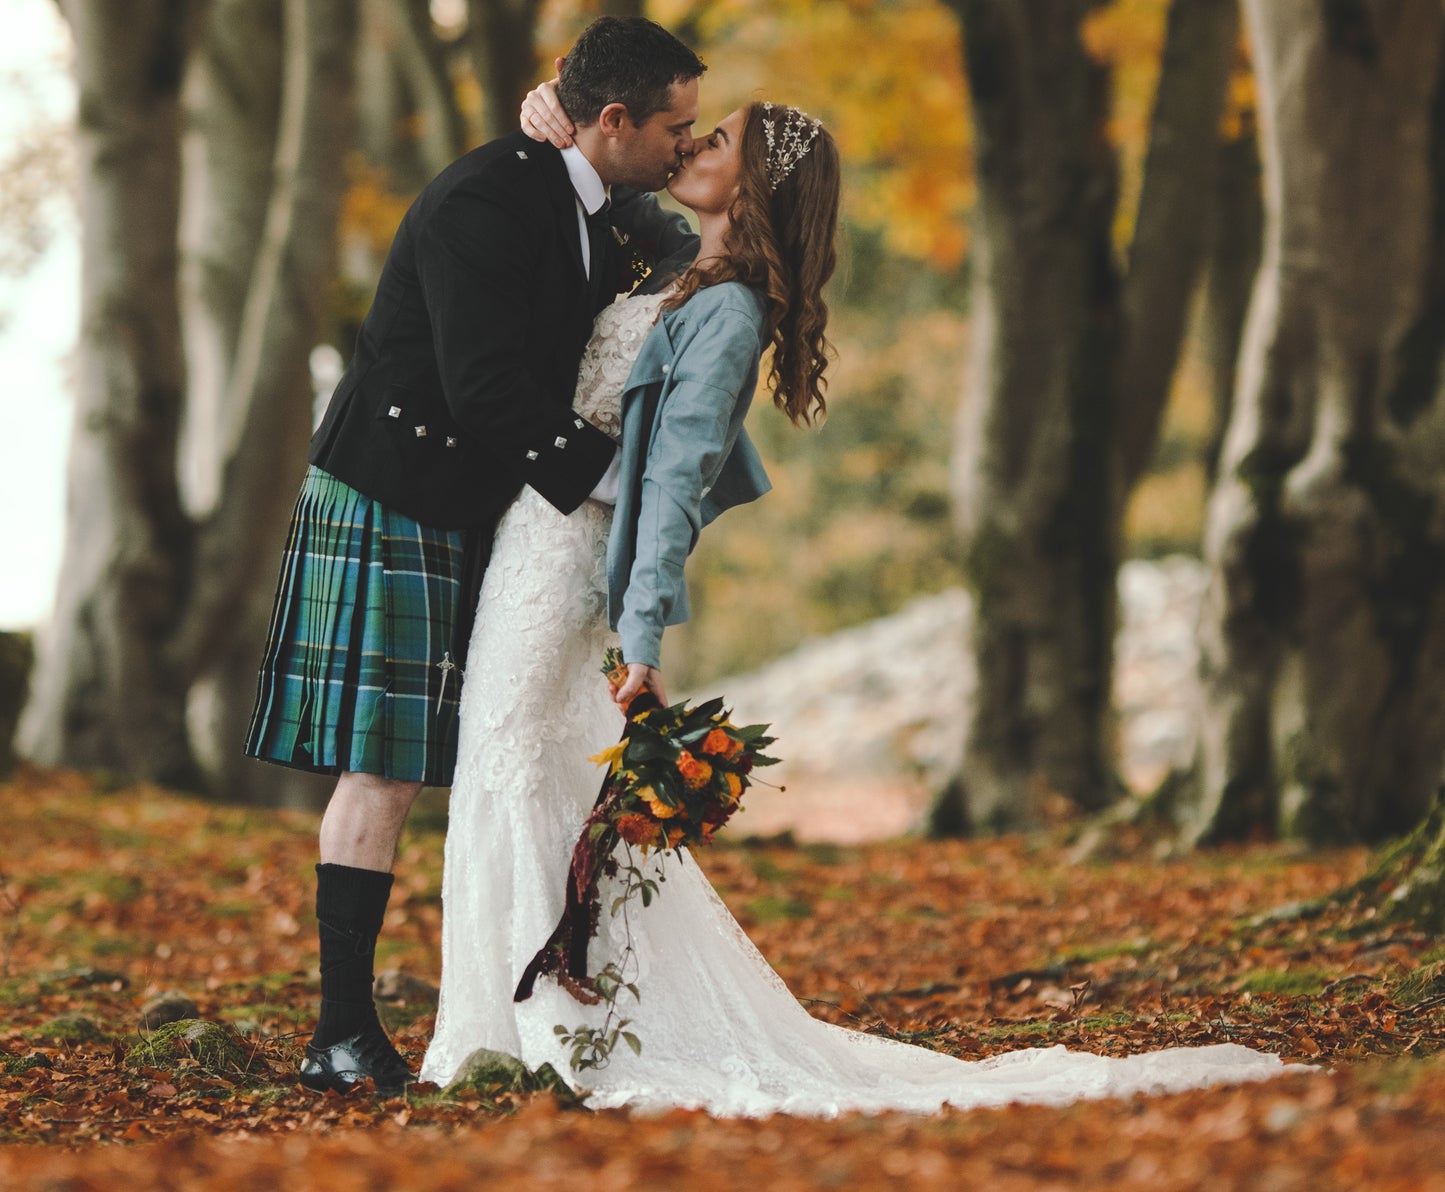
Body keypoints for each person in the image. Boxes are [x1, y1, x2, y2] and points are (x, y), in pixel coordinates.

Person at [420, 85, 1293, 1117]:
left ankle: (554, 1031)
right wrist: (548, 113)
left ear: (755, 186)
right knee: (515, 758)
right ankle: (496, 1017)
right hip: (532, 534)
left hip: (571, 563)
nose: (694, 140)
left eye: (722, 138)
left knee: (515, 754)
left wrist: (643, 632)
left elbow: (672, 488)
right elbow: (590, 190)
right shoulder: (676, 258)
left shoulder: (729, 310)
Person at [243, 16, 717, 1096]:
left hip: (475, 502)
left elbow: (689, 239)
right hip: (390, 491)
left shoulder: (592, 200)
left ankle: (488, 1006)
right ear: (612, 120)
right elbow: (483, 390)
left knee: (444, 756)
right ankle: (341, 1031)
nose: (686, 148)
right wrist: (626, 486)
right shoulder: (486, 199)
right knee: (386, 764)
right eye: (675, 129)